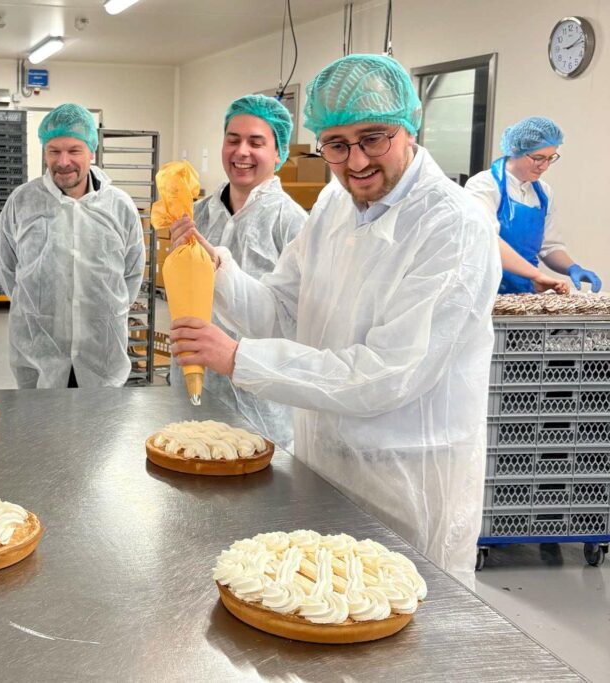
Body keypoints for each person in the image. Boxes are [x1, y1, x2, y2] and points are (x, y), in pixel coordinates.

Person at [168, 54, 500, 586]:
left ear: (409, 127)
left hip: (406, 481)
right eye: (336, 144)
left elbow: (389, 373)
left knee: (401, 616)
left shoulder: (453, 226)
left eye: (373, 138)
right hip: (324, 466)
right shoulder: (333, 205)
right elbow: (280, 310)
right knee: (320, 601)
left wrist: (238, 359)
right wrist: (218, 274)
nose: (356, 161)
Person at [172, 94, 306, 449]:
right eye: (233, 139)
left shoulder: (293, 224)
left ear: (278, 152)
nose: (241, 151)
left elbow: (296, 322)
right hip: (193, 386)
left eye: (256, 142)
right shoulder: (196, 215)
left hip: (261, 405)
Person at [0, 103, 145, 388]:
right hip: (39, 351)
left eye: (74, 150)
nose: (63, 161)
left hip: (101, 352)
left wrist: (102, 314)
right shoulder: (22, 202)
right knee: (41, 417)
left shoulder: (119, 206)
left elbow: (132, 274)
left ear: (92, 152)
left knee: (100, 417)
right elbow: (8, 269)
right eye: (54, 151)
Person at [465, 116, 601, 294]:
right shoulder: (484, 185)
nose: (544, 166)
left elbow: (549, 247)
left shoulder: (543, 192)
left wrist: (572, 268)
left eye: (550, 158)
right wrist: (537, 275)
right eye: (538, 158)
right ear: (516, 150)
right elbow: (487, 240)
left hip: (524, 291)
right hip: (483, 290)